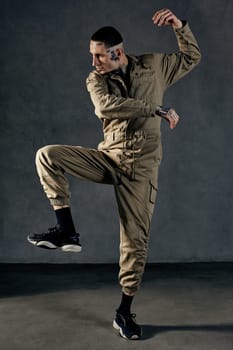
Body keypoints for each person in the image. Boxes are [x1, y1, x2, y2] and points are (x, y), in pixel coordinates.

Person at [27, 8, 201, 340]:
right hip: (109, 158)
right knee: (47, 156)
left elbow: (191, 57)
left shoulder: (154, 66)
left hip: (141, 171)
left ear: (117, 52)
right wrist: (155, 109)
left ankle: (123, 311)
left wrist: (180, 27)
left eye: (99, 56)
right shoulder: (96, 79)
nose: (94, 62)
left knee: (135, 243)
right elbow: (105, 106)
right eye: (92, 56)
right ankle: (67, 231)